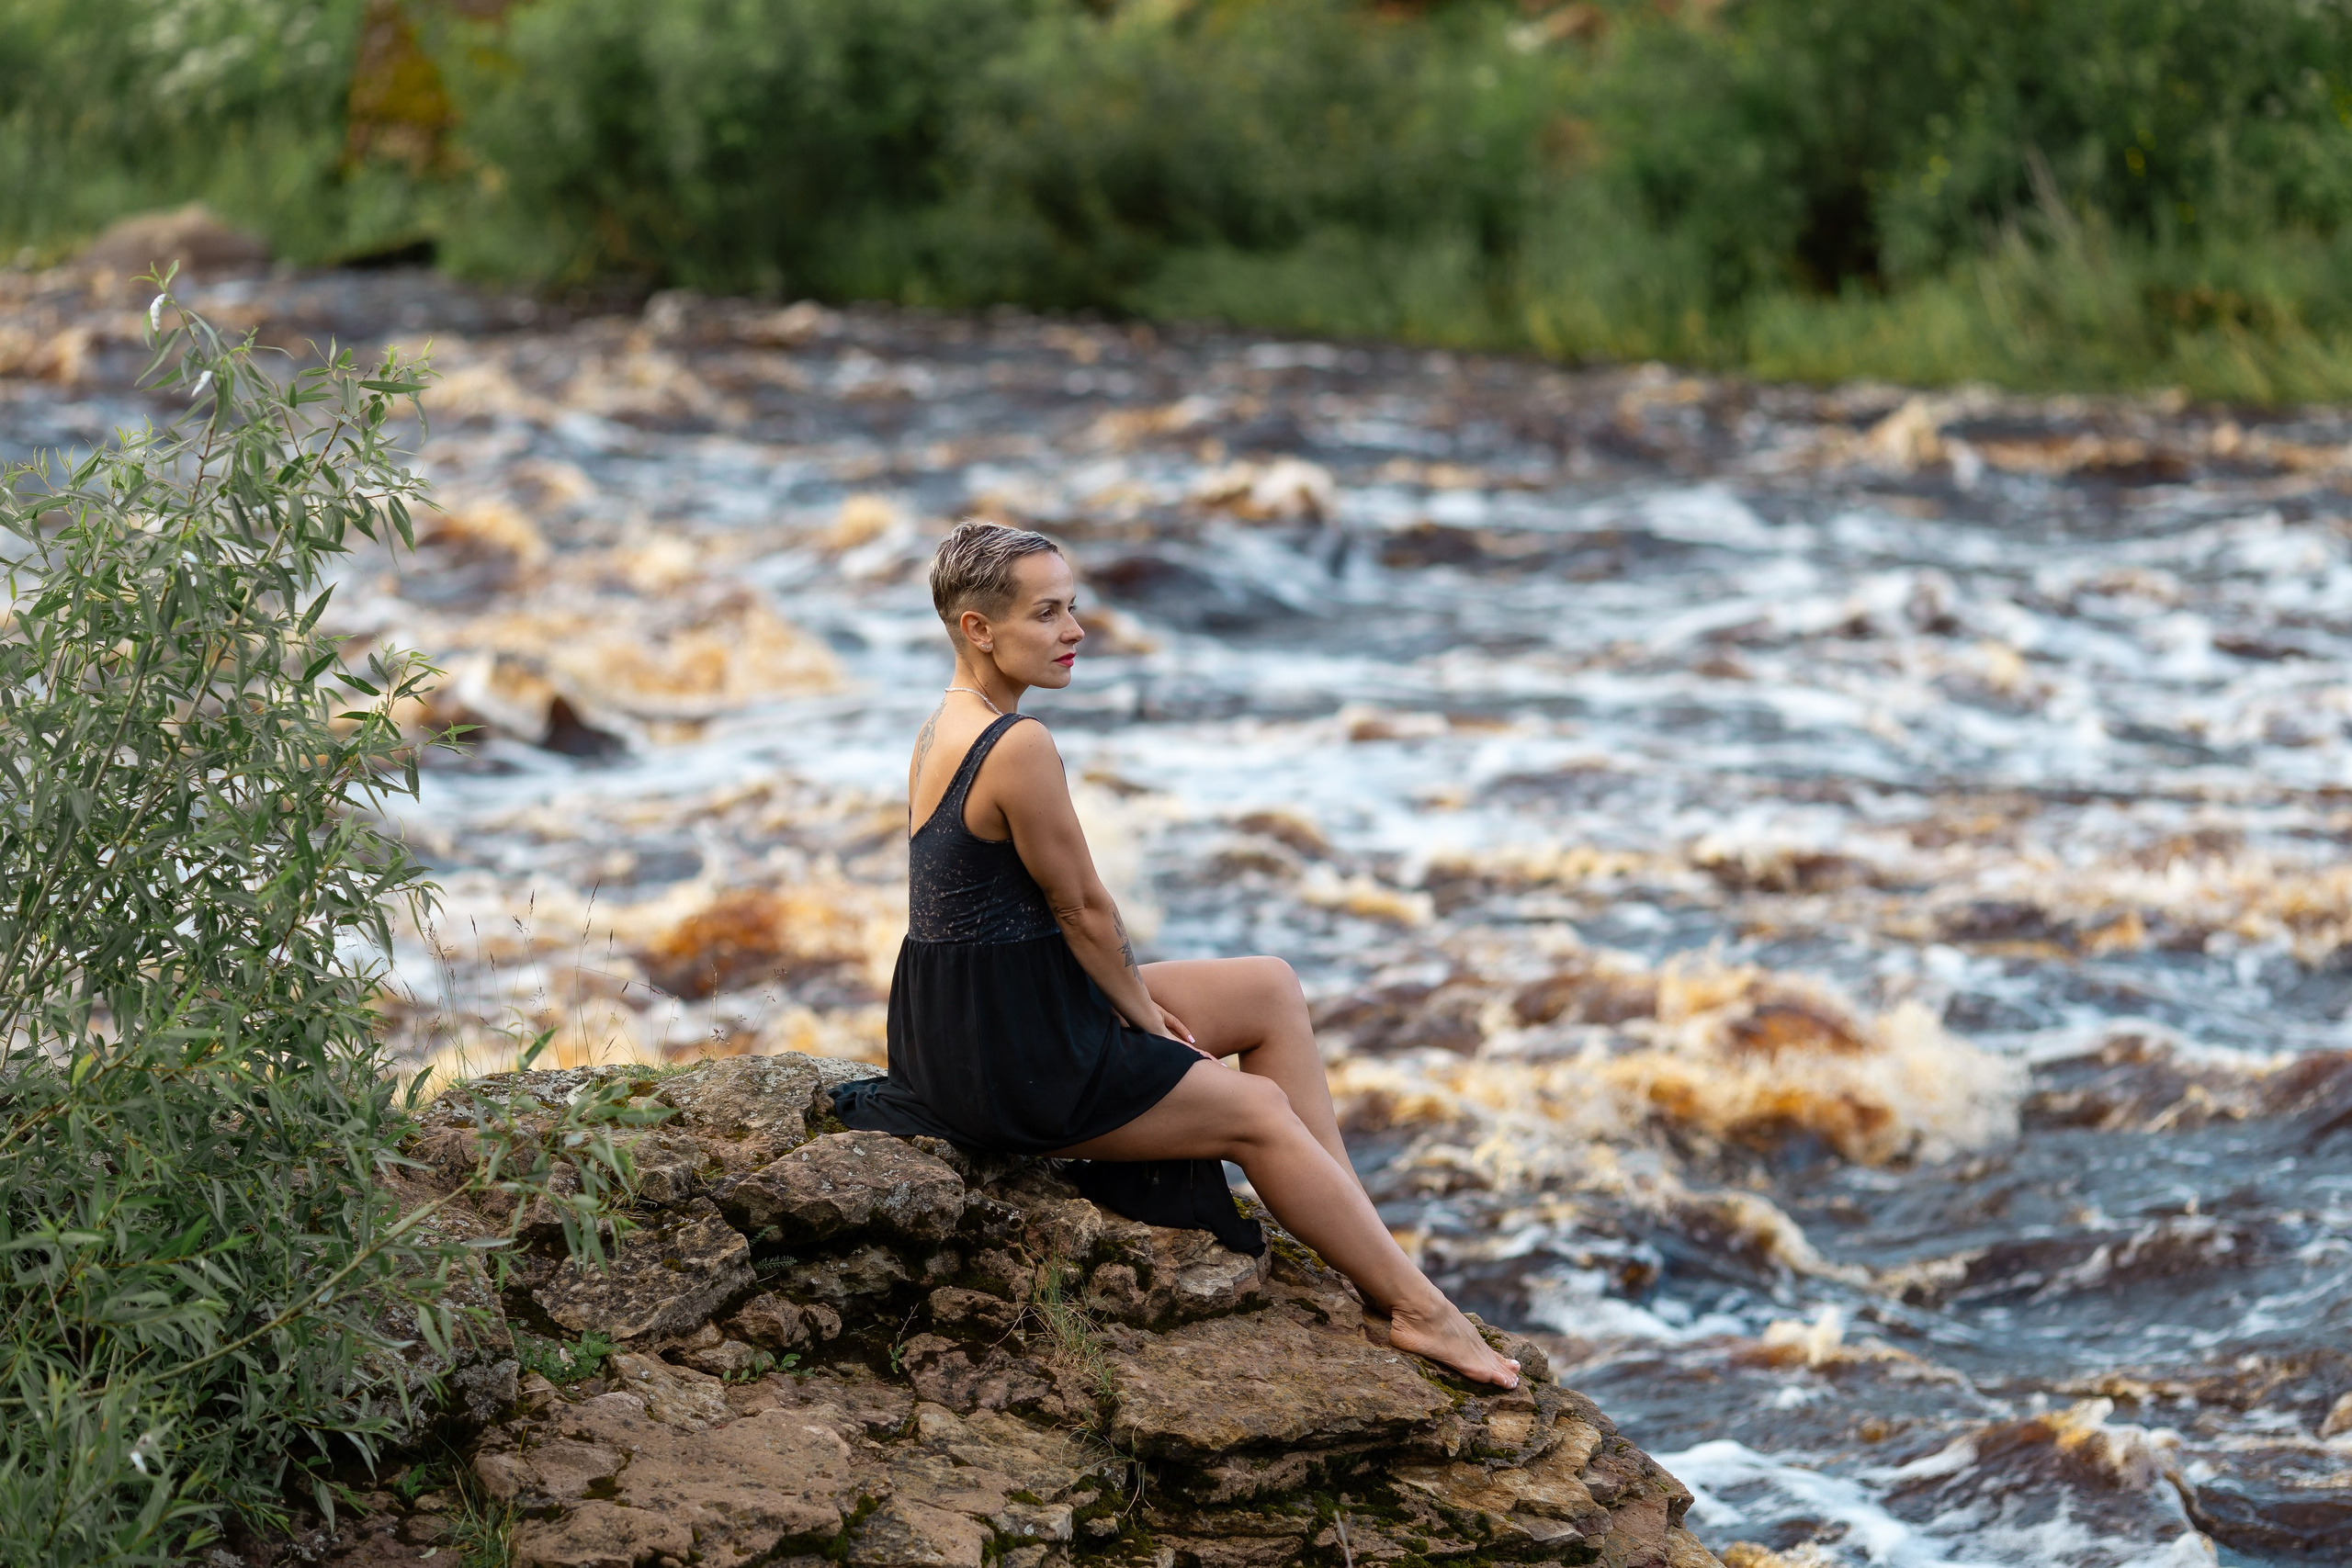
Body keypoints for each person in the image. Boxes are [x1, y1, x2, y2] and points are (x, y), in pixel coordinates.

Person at [836, 521, 1519, 1388]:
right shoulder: (1019, 746)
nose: (1075, 630)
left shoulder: (943, 725)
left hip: (964, 1018)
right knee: (1259, 1108)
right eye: (1047, 614)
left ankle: (1363, 1243)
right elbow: (1081, 908)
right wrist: (1139, 1018)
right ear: (979, 628)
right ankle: (1424, 1313)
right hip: (1012, 1059)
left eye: (1072, 606)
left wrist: (1129, 1010)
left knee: (1268, 988)